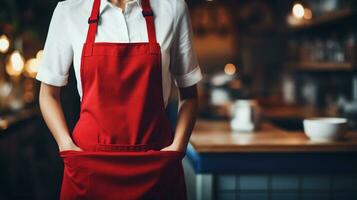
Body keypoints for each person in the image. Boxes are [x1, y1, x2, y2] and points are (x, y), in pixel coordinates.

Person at [35, 0, 203, 199]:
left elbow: (189, 95)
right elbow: (48, 94)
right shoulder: (69, 10)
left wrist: (178, 148)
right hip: (89, 166)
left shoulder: (172, 8)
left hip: (155, 165)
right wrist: (66, 146)